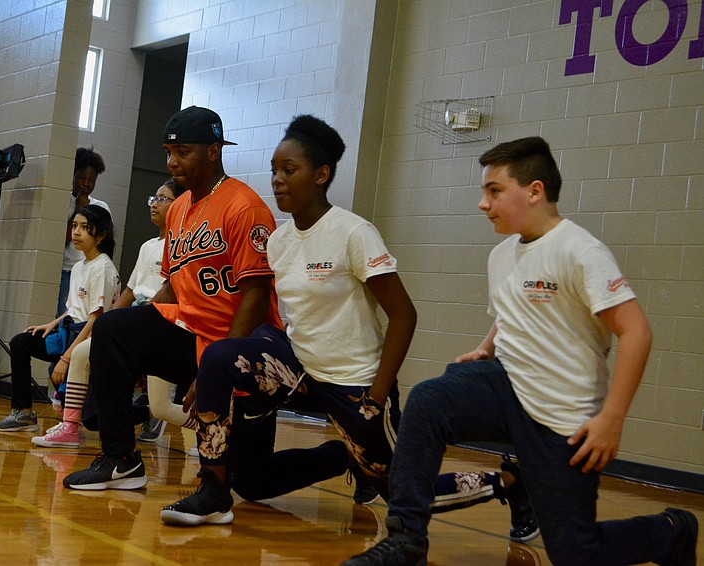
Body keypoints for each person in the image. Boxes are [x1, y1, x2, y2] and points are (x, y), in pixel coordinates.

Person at [160, 116, 537, 535]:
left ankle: (511, 481)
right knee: (219, 357)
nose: (277, 180)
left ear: (321, 175)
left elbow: (404, 314)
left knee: (405, 495)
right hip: (301, 372)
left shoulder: (353, 233)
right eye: (274, 170)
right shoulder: (279, 242)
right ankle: (213, 490)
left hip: (353, 383)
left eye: (289, 170)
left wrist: (376, 395)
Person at [341, 136, 699, 566]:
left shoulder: (581, 252)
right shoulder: (502, 254)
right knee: (428, 401)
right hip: (507, 386)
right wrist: (485, 347)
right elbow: (515, 308)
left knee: (575, 553)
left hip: (562, 415)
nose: (483, 203)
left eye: (494, 191)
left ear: (534, 191)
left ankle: (672, 530)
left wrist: (611, 419)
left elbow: (636, 331)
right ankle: (406, 538)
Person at [61, 106, 285, 491]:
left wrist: (218, 365)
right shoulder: (178, 209)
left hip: (241, 346)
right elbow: (170, 286)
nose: (172, 162)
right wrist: (135, 343)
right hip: (191, 334)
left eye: (183, 152)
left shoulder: (245, 207)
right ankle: (121, 460)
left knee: (252, 482)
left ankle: (344, 457)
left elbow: (257, 296)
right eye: (168, 152)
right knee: (113, 329)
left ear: (213, 151)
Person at [31, 181, 182, 447]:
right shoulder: (148, 246)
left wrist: (137, 319)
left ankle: (203, 427)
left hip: (160, 321)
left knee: (162, 407)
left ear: (180, 205)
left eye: (163, 199)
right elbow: (130, 290)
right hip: (137, 318)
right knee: (82, 355)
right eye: (154, 198)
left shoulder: (180, 244)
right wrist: (109, 322)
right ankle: (70, 427)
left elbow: (169, 289)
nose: (155, 204)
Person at [0, 205, 120, 432]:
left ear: (100, 235)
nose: (76, 232)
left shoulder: (103, 268)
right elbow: (74, 308)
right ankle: (23, 413)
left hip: (89, 340)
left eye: (84, 227)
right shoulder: (79, 266)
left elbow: (95, 320)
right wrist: (52, 324)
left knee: (93, 420)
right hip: (69, 333)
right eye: (74, 226)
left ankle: (148, 412)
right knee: (21, 342)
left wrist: (66, 358)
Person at [58, 147, 109, 317]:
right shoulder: (62, 200)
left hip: (89, 271)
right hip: (65, 270)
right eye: (81, 177)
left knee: (83, 317)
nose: (86, 184)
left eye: (91, 180)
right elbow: (61, 242)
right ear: (73, 175)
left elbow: (106, 245)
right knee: (64, 317)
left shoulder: (100, 207)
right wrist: (79, 209)